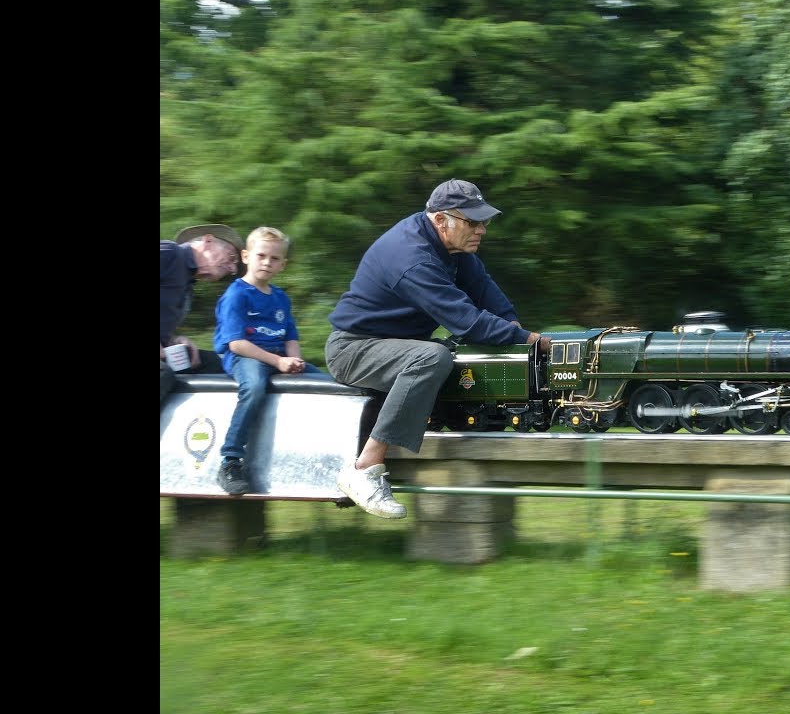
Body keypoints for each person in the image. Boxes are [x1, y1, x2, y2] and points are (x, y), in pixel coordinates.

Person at [325, 178, 552, 519]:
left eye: (485, 222)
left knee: (456, 354)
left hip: (398, 346)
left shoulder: (454, 249)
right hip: (354, 348)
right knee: (434, 356)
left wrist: (517, 335)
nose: (482, 230)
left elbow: (488, 296)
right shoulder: (412, 257)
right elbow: (467, 321)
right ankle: (364, 468)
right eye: (473, 222)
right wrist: (533, 340)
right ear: (442, 219)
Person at [212, 226, 323, 495]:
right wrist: (277, 362)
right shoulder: (236, 294)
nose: (267, 262)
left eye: (274, 259)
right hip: (245, 356)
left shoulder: (280, 297)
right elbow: (236, 343)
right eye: (261, 255)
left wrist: (294, 360)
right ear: (246, 256)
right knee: (254, 387)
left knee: (326, 383)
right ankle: (231, 460)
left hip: (278, 357)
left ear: (282, 264)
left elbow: (290, 337)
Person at [161, 224, 246, 405]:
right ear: (208, 241)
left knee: (226, 364)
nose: (232, 269)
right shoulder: (170, 253)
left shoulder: (188, 284)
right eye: (231, 258)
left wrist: (173, 341)